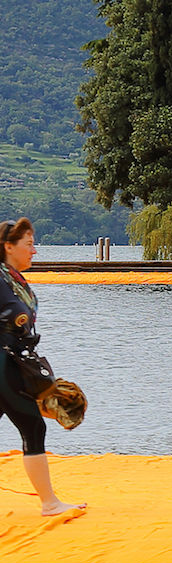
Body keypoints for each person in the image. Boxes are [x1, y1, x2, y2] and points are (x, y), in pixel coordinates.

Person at [0, 219, 80, 516]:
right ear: (8, 246)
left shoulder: (14, 279)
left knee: (32, 424)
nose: (34, 250)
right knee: (32, 424)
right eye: (28, 244)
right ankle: (49, 503)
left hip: (14, 362)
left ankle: (50, 502)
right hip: (3, 361)